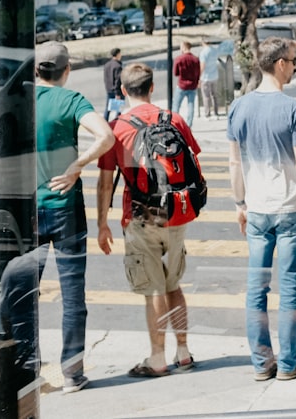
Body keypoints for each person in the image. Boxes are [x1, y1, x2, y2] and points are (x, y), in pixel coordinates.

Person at [0, 41, 116, 393]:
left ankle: (28, 368)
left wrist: (4, 156)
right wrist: (78, 164)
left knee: (24, 294)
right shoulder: (72, 101)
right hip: (66, 210)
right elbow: (106, 136)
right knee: (73, 296)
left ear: (35, 70)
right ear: (66, 70)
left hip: (28, 212)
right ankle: (73, 373)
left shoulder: (16, 99)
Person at [227, 36, 296, 382]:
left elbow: (234, 164)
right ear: (279, 64)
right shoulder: (293, 108)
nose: (295, 66)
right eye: (293, 61)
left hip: (256, 210)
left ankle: (261, 363)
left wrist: (240, 204)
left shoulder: (238, 107)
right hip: (290, 208)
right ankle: (287, 363)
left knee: (257, 288)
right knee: (290, 287)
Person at [96, 62, 199, 378]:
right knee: (173, 283)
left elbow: (104, 181)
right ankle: (183, 352)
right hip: (178, 210)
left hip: (142, 213)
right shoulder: (174, 119)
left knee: (153, 287)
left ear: (123, 90)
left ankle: (157, 358)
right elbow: (192, 161)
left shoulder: (118, 128)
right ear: (152, 87)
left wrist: (102, 223)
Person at [172, 40, 200, 127]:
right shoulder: (195, 59)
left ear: (184, 47)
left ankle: (174, 123)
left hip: (182, 85)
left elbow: (175, 73)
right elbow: (198, 73)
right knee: (191, 105)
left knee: (176, 105)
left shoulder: (179, 59)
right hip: (192, 85)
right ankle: (189, 125)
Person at [198, 37, 220, 120]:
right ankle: (216, 113)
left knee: (206, 96)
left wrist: (199, 77)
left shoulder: (203, 52)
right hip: (214, 75)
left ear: (202, 42)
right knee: (214, 95)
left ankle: (207, 114)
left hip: (206, 77)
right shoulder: (214, 50)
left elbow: (202, 66)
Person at [103, 48, 123, 122]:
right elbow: (118, 80)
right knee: (118, 110)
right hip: (117, 91)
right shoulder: (118, 66)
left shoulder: (107, 65)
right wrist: (117, 93)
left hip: (109, 90)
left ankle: (105, 122)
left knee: (108, 109)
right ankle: (117, 123)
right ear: (117, 54)